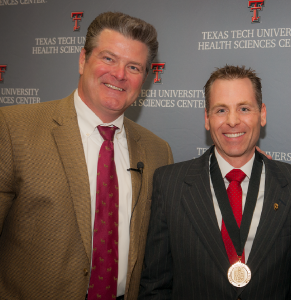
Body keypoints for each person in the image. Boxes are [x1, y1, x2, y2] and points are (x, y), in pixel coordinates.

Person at [0, 12, 173, 300]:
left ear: (145, 78)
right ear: (83, 60)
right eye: (108, 58)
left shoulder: (158, 151)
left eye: (133, 66)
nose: (119, 74)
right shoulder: (13, 129)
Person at [139, 65, 291, 300]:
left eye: (244, 108)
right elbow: (155, 286)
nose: (232, 121)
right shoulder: (170, 183)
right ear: (207, 118)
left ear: (262, 114)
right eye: (221, 110)